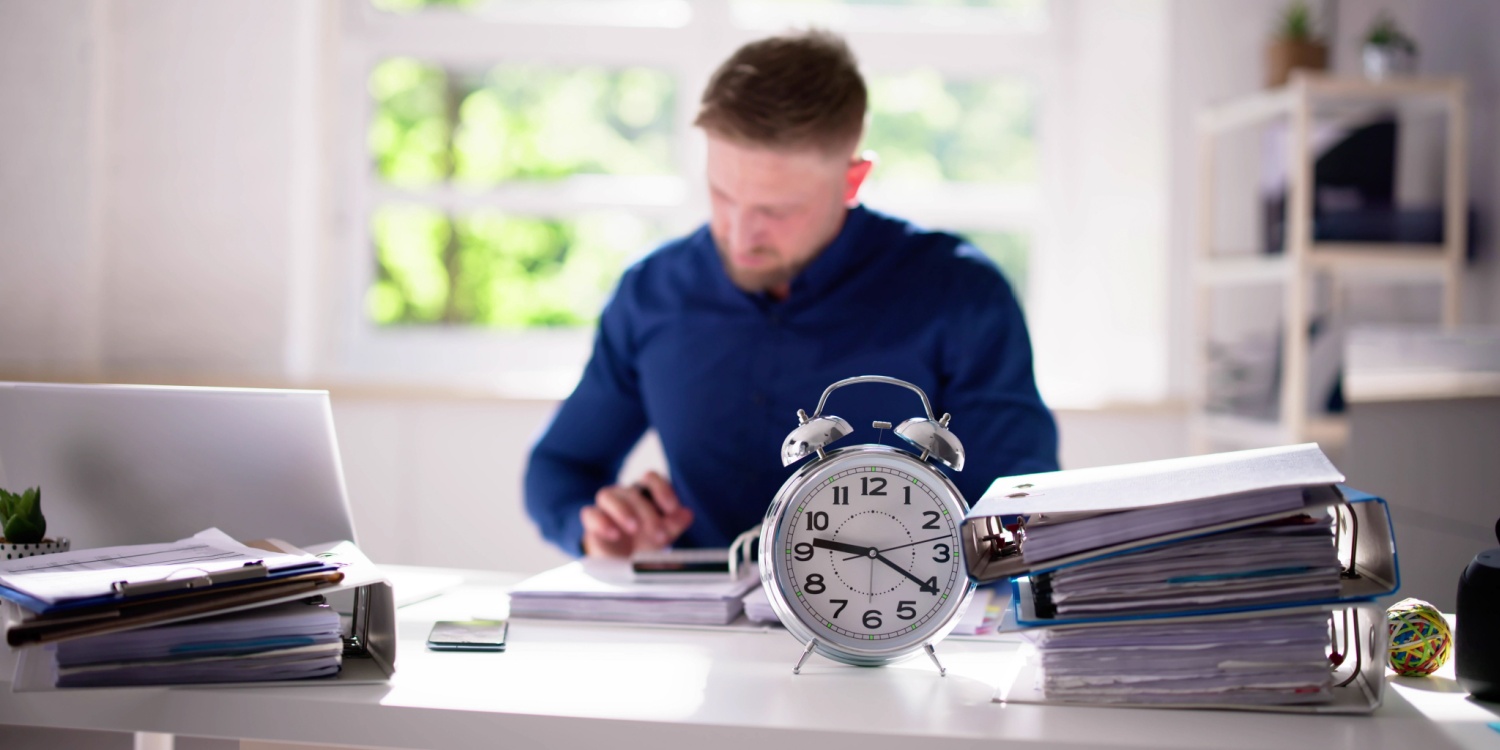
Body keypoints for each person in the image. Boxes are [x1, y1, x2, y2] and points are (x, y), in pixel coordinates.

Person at [524, 30, 1058, 558]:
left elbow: (1018, 515)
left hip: (893, 627)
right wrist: (596, 529)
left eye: (775, 211)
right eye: (722, 193)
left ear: (852, 181)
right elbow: (560, 467)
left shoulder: (963, 297)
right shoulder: (651, 292)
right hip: (694, 632)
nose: (737, 234)